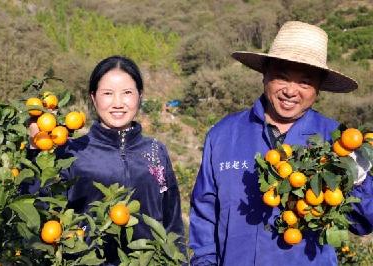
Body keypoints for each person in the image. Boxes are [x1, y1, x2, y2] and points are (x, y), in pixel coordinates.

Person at [189, 21, 373, 265]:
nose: (291, 91)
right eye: (282, 77)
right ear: (264, 75)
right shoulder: (224, 135)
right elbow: (205, 213)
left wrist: (358, 179)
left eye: (305, 83)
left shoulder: (336, 140)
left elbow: (362, 223)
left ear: (318, 88)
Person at [26, 56, 185, 264]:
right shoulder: (73, 151)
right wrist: (34, 149)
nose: (118, 103)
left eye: (127, 93)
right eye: (107, 93)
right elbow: (38, 209)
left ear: (140, 96)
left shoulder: (156, 150)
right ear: (93, 98)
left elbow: (172, 221)